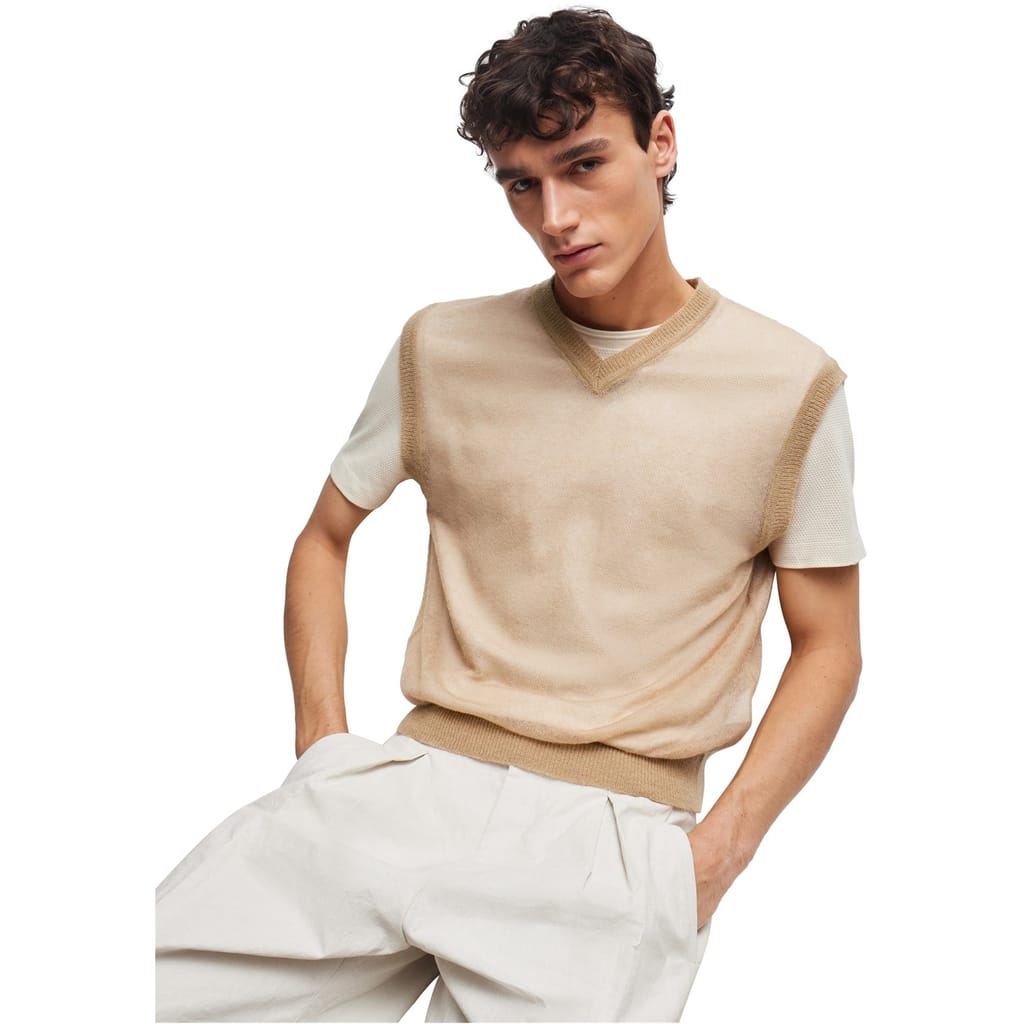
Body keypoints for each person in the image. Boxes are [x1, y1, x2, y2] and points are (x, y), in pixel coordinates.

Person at [155, 8, 864, 1021]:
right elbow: (325, 535)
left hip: (610, 844)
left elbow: (829, 644)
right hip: (400, 788)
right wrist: (323, 750)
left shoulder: (790, 385)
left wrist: (714, 857)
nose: (554, 215)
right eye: (520, 183)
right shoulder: (442, 347)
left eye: (584, 165)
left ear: (661, 144)